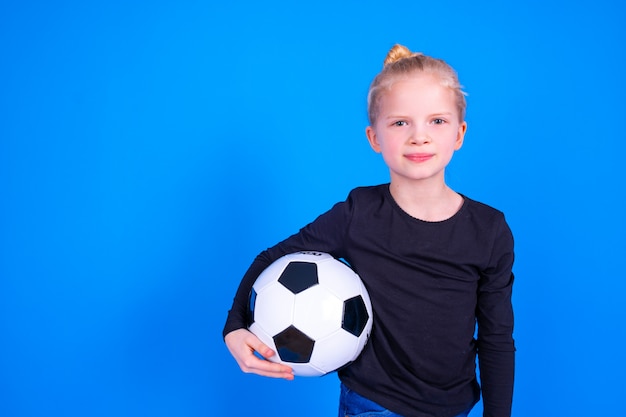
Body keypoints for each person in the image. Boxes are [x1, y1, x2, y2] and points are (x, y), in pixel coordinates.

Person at [223, 44, 515, 417]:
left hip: (452, 406)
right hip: (373, 404)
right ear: (374, 138)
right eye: (400, 122)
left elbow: (496, 338)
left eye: (436, 121)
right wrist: (234, 326)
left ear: (459, 134)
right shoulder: (358, 214)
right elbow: (271, 259)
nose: (419, 136)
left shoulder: (488, 230)